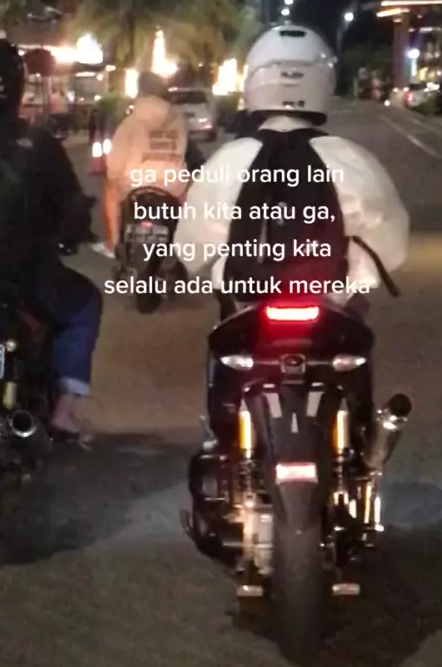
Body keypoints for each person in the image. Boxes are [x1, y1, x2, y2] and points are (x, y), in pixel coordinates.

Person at [173, 24, 409, 441]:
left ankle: (222, 438)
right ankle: (362, 442)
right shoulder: (352, 159)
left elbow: (191, 245)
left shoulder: (227, 160)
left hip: (247, 309)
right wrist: (358, 275)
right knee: (355, 356)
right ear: (324, 84)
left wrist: (202, 269)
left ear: (254, 82)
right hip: (330, 307)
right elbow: (391, 245)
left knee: (223, 361)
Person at [0, 37, 102, 442]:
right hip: (21, 278)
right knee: (84, 302)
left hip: (10, 284)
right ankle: (65, 411)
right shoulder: (40, 145)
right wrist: (72, 233)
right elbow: (72, 209)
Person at [102, 71, 202, 256]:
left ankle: (113, 244)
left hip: (134, 184)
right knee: (192, 200)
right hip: (172, 185)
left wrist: (114, 177)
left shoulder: (129, 122)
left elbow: (114, 167)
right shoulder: (178, 120)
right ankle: (186, 243)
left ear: (140, 92)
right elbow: (185, 151)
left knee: (110, 191)